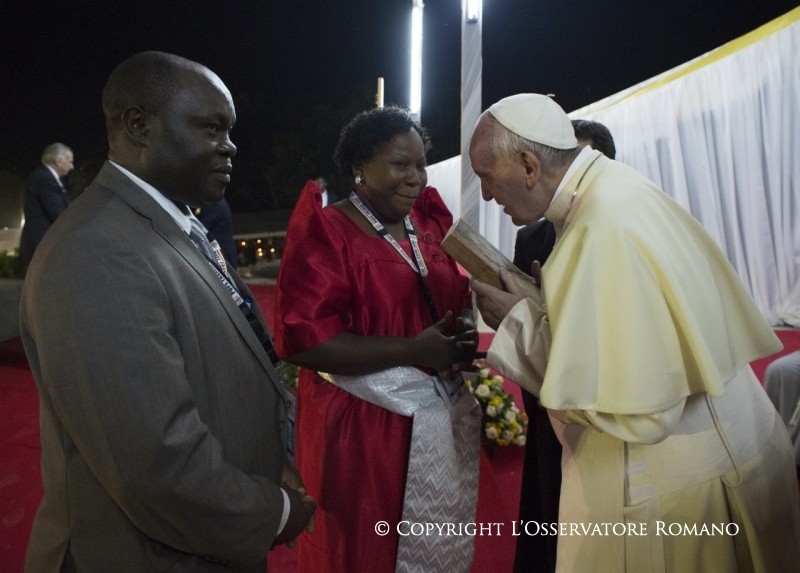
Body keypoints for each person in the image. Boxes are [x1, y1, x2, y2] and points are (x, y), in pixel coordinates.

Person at [468, 93, 800, 571]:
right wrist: (547, 308)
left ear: (528, 164)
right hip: (733, 444)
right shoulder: (611, 191)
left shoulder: (599, 226)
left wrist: (518, 321)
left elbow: (628, 409)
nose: (484, 194)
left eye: (485, 175)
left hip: (679, 489)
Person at [19, 51, 315, 572]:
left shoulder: (162, 220)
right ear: (140, 126)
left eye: (231, 130)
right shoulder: (97, 251)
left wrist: (267, 462)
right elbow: (157, 466)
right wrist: (273, 511)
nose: (231, 146)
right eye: (212, 128)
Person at [275, 105, 481, 572]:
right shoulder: (328, 232)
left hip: (434, 415)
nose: (416, 177)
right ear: (359, 168)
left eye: (421, 164)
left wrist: (461, 333)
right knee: (368, 552)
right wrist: (414, 350)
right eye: (400, 164)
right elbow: (304, 342)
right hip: (362, 431)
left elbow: (451, 297)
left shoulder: (428, 226)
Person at [511, 119, 616, 573]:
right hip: (544, 397)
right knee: (546, 515)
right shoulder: (529, 237)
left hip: (601, 407)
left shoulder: (613, 227)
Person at [19, 142, 74, 264]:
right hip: (43, 244)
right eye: (69, 161)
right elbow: (59, 214)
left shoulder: (43, 176)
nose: (72, 166)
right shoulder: (45, 178)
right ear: (58, 160)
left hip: (41, 244)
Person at [195, 196, 237, 269]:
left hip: (221, 253)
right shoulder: (215, 203)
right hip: (220, 252)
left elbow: (200, 228)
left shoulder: (215, 204)